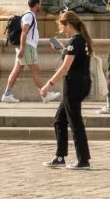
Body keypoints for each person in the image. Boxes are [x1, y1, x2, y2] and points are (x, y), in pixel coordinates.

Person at [40, 9, 93, 169]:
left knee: (75, 122)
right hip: (81, 83)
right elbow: (75, 61)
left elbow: (65, 68)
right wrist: (63, 50)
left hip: (74, 85)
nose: (61, 30)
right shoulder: (81, 40)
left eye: (62, 27)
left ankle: (83, 160)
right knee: (59, 120)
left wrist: (47, 85)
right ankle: (60, 156)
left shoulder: (75, 41)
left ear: (68, 25)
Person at [2, 0, 49, 103]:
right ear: (36, 5)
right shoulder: (29, 16)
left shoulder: (28, 15)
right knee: (35, 70)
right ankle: (45, 94)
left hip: (25, 46)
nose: (41, 6)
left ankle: (7, 94)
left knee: (17, 70)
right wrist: (23, 48)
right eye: (40, 4)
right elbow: (24, 32)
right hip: (27, 46)